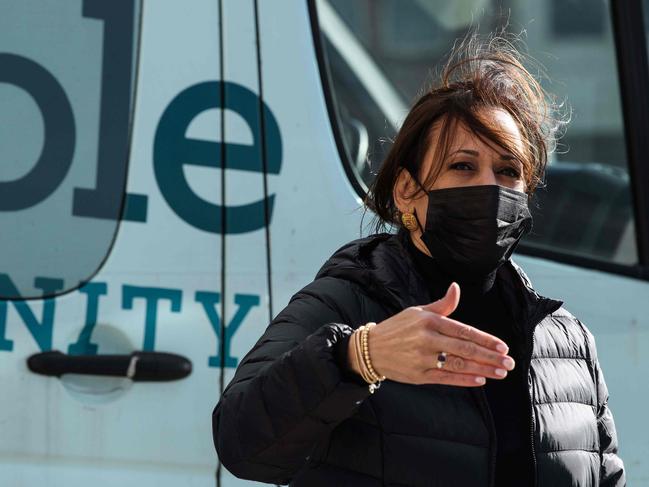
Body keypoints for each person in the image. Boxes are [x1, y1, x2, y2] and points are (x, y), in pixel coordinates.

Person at [212, 31, 626, 486]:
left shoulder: (567, 342)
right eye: (463, 166)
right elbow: (242, 443)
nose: (489, 187)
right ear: (408, 192)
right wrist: (361, 357)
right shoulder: (348, 301)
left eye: (508, 171)